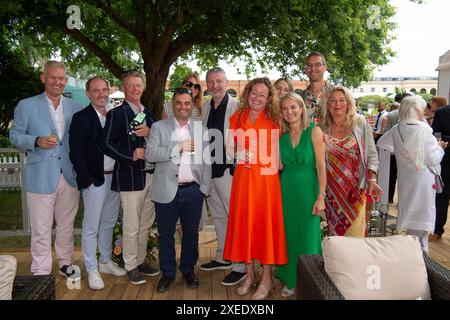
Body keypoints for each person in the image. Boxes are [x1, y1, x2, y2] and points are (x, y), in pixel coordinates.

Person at [9, 61, 82, 279]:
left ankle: (66, 264)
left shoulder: (75, 107)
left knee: (66, 226)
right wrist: (35, 140)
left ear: (65, 81)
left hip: (69, 176)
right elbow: (14, 136)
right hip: (41, 176)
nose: (57, 82)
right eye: (53, 77)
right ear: (43, 78)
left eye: (61, 78)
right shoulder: (26, 105)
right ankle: (40, 270)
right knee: (40, 229)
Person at [224, 77, 288, 300]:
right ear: (247, 93)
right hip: (242, 178)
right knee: (246, 226)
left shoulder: (275, 118)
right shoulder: (238, 116)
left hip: (265, 181)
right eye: (254, 93)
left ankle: (267, 279)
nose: (257, 98)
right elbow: (228, 146)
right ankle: (250, 275)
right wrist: (238, 154)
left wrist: (262, 157)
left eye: (262, 94)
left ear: (269, 98)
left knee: (264, 227)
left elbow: (282, 154)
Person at [146, 87, 211, 292]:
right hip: (166, 190)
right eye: (178, 103)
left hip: (193, 191)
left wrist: (204, 188)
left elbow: (207, 162)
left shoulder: (201, 130)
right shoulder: (158, 127)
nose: (183, 107)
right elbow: (151, 154)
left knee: (191, 234)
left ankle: (188, 270)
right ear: (172, 104)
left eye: (187, 103)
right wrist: (178, 147)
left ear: (192, 106)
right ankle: (167, 273)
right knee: (165, 235)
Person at [100, 71, 159, 285]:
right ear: (123, 89)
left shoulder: (148, 114)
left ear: (143, 87)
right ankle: (130, 265)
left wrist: (151, 132)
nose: (135, 89)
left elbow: (160, 140)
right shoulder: (117, 114)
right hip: (130, 177)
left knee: (145, 224)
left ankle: (141, 260)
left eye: (138, 85)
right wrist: (129, 156)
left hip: (151, 176)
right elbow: (105, 143)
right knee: (132, 225)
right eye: (130, 86)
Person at [69, 76, 126, 290]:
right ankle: (91, 267)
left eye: (104, 90)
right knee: (91, 226)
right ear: (88, 93)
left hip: (114, 178)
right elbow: (76, 152)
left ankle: (105, 262)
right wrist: (87, 180)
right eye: (96, 90)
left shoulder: (114, 116)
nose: (101, 94)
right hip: (96, 179)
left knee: (108, 223)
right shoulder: (81, 118)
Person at [377, 96, 446, 253]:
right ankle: (421, 258)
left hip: (406, 179)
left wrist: (403, 152)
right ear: (416, 110)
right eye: (422, 109)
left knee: (411, 215)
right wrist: (440, 147)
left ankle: (416, 252)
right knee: (421, 218)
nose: (423, 113)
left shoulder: (397, 129)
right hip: (424, 181)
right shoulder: (424, 131)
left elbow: (382, 143)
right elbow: (432, 158)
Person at [275, 92, 326, 298]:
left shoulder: (314, 131)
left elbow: (321, 166)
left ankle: (310, 282)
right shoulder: (281, 137)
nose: (289, 112)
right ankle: (291, 279)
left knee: (308, 237)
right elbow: (277, 166)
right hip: (286, 191)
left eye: (293, 107)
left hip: (308, 190)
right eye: (285, 108)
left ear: (301, 108)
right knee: (288, 236)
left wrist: (321, 195)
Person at [200, 67, 247, 286]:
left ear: (226, 82)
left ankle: (240, 266)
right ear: (207, 85)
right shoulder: (205, 106)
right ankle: (223, 256)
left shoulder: (238, 107)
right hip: (211, 170)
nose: (215, 86)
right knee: (218, 216)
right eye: (211, 82)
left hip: (229, 171)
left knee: (235, 217)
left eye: (219, 81)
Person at [320, 86, 382, 237]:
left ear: (348, 103)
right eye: (333, 101)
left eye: (342, 100)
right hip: (331, 194)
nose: (337, 104)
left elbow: (372, 154)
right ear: (327, 105)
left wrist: (372, 179)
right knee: (334, 238)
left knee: (355, 237)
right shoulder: (321, 128)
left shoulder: (360, 124)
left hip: (355, 192)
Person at [162, 73, 208, 233]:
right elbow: (164, 132)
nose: (193, 89)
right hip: (173, 166)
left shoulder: (201, 108)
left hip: (194, 169)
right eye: (189, 84)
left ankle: (189, 257)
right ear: (182, 85)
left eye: (196, 86)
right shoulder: (169, 106)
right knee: (173, 225)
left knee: (192, 225)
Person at [430, 101, 450, 241]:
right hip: (446, 159)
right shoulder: (442, 112)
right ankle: (437, 229)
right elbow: (436, 135)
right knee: (442, 195)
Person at [300, 52, 332, 123]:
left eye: (317, 64)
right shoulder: (299, 98)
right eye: (309, 65)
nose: (313, 68)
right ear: (306, 69)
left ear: (325, 68)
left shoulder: (337, 94)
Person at [381, 101, 400, 204]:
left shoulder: (392, 114)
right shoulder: (416, 114)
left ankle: (389, 198)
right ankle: (402, 201)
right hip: (407, 152)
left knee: (391, 175)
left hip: (392, 150)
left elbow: (386, 132)